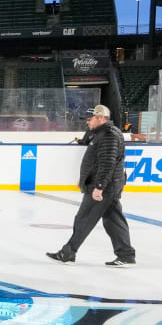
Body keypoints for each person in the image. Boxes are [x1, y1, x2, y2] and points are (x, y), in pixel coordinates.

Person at [47, 104, 135, 267]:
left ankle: (68, 253)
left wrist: (99, 187)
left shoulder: (108, 135)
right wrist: (84, 177)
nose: (87, 122)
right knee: (113, 220)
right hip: (107, 184)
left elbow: (107, 163)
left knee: (84, 218)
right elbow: (95, 160)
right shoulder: (100, 133)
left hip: (104, 186)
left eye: (90, 119)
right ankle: (126, 255)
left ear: (101, 118)